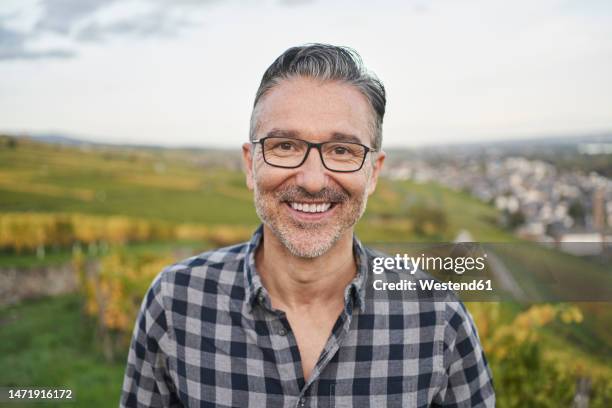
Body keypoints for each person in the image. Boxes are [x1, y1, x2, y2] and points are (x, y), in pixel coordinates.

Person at [121, 43, 495, 407]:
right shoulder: (176, 303)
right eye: (285, 146)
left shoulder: (439, 319)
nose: (313, 180)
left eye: (342, 151)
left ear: (373, 173)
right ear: (251, 164)